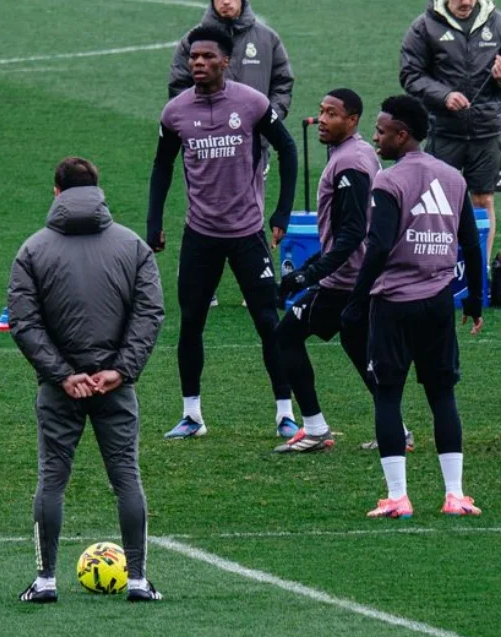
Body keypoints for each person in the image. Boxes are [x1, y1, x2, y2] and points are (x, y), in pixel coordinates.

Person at [8, 157, 165, 603]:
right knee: (126, 478)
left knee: (51, 480)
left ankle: (44, 582)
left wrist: (63, 375)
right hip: (116, 387)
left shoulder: (33, 249)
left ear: (56, 191)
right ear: (99, 191)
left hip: (60, 390)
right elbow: (149, 313)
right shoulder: (133, 247)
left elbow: (24, 322)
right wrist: (120, 370)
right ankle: (137, 580)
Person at [147, 25, 299, 440]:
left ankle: (285, 413)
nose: (198, 63)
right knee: (192, 322)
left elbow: (286, 148)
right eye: (194, 57)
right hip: (201, 234)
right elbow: (162, 166)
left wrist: (281, 211)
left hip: (247, 232)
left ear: (225, 62)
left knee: (268, 321)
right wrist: (154, 222)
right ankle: (191, 415)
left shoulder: (251, 104)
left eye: (207, 57)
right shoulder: (175, 111)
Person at [342, 95, 484, 518]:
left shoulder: (388, 182)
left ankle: (398, 497)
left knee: (388, 396)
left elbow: (380, 245)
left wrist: (355, 301)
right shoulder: (453, 177)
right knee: (442, 395)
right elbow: (472, 244)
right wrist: (476, 297)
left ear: (402, 135)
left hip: (393, 304)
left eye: (382, 131)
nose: (376, 137)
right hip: (439, 302)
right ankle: (455, 495)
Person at [273, 89, 406, 453]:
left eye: (332, 113)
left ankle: (315, 429)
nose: (322, 119)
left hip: (344, 280)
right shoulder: (357, 153)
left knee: (286, 336)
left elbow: (351, 234)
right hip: (356, 276)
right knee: (357, 345)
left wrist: (308, 274)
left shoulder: (350, 163)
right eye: (321, 111)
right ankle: (396, 428)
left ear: (352, 120)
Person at [168, 0, 294, 309]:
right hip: (205, 150)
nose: (227, 1)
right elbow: (177, 86)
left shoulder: (267, 38)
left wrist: (267, 120)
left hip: (253, 146)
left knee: (250, 211)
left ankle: (254, 283)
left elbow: (283, 82)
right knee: (203, 206)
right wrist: (193, 123)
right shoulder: (192, 40)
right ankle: (203, 283)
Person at [400, 0, 501, 268]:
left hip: (486, 130)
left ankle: (481, 268)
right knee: (438, 200)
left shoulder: (496, 22)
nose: (467, 3)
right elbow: (410, 74)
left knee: (483, 198)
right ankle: (439, 267)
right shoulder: (424, 26)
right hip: (444, 130)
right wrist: (444, 96)